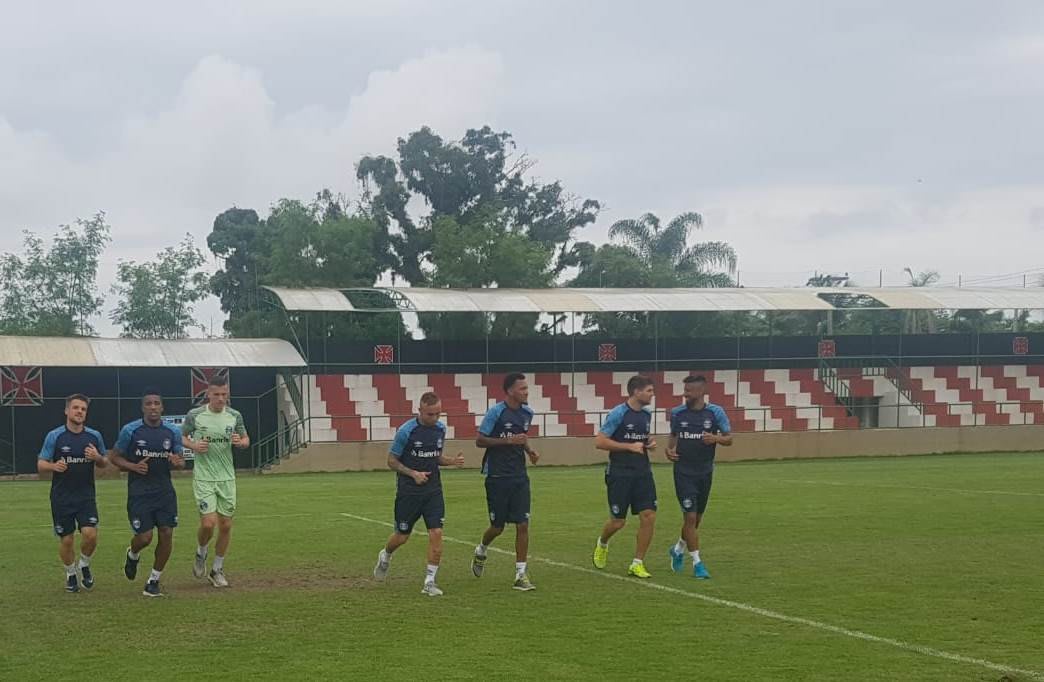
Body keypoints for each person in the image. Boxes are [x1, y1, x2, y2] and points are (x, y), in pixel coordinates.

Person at [373, 392, 464, 596]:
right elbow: (391, 461)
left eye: (438, 414)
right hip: (409, 492)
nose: (435, 418)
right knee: (402, 536)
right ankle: (386, 555)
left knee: (437, 533)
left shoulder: (440, 429)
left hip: (433, 491)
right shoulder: (406, 431)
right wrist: (413, 474)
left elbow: (435, 457)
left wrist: (451, 462)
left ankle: (429, 582)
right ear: (420, 411)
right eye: (430, 414)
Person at [108, 388, 186, 597]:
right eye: (149, 404)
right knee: (144, 538)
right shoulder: (130, 431)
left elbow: (179, 460)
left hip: (164, 491)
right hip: (139, 491)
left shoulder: (172, 432)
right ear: (143, 408)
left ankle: (153, 580)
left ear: (162, 408)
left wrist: (177, 462)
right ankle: (132, 554)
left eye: (157, 404)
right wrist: (133, 467)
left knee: (167, 533)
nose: (153, 407)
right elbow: (114, 457)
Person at [471, 372, 539, 591]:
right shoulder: (496, 412)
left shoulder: (528, 413)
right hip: (497, 476)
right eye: (522, 389)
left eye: (527, 389)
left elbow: (522, 437)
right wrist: (508, 440)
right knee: (497, 527)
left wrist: (529, 450)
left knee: (523, 524)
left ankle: (521, 574)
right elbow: (480, 440)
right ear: (510, 391)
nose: (526, 392)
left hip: (519, 476)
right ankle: (482, 549)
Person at [181, 374, 250, 588]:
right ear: (208, 394)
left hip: (226, 477)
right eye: (217, 394)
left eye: (224, 395)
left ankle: (217, 569)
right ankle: (201, 552)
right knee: (208, 523)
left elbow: (246, 439)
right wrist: (193, 446)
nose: (221, 399)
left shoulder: (234, 416)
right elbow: (182, 436)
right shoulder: (196, 415)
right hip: (204, 477)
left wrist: (241, 442)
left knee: (226, 525)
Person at [37, 394, 107, 593]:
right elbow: (41, 464)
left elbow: (105, 462)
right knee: (67, 539)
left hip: (86, 496)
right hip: (62, 497)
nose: (79, 412)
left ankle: (84, 564)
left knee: (90, 535)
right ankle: (70, 573)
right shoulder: (55, 436)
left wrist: (97, 457)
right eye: (76, 408)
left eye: (83, 409)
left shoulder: (94, 436)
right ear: (67, 411)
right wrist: (53, 466)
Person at [666, 375, 732, 579]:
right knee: (690, 517)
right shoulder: (677, 413)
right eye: (684, 390)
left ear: (702, 391)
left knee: (696, 520)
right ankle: (698, 564)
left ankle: (677, 549)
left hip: (705, 472)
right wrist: (669, 450)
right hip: (683, 472)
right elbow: (673, 435)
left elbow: (729, 439)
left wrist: (716, 438)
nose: (685, 394)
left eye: (689, 391)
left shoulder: (715, 412)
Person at [592, 375, 657, 578]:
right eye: (649, 390)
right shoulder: (618, 414)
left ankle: (637, 563)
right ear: (636, 392)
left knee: (649, 516)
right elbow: (600, 442)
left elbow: (641, 439)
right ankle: (602, 543)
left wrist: (648, 444)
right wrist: (629, 447)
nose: (652, 394)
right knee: (618, 522)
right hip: (620, 473)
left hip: (643, 472)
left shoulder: (646, 415)